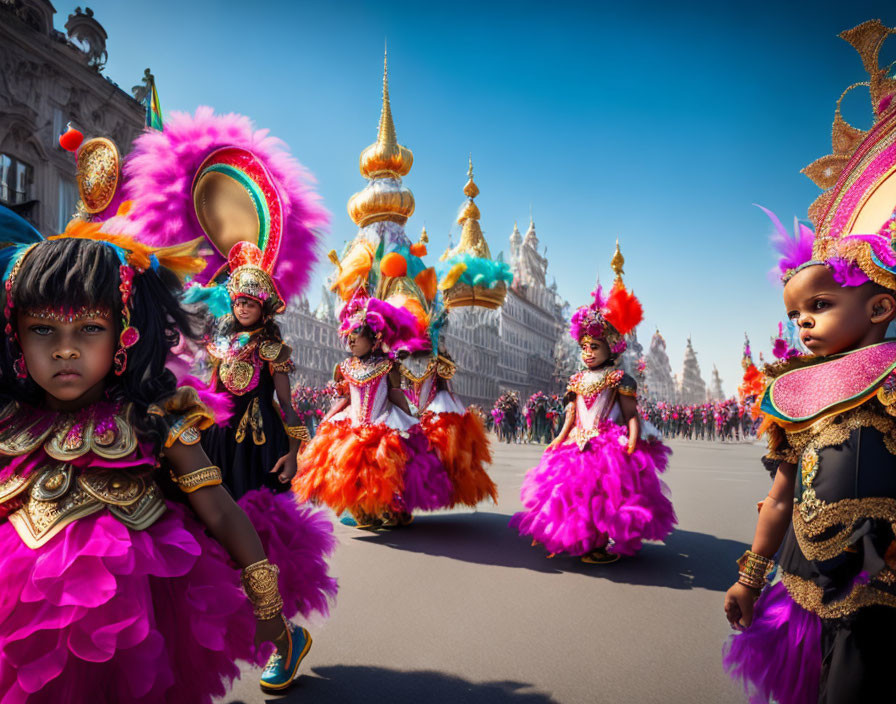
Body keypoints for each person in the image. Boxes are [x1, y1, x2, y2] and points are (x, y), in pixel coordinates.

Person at [0, 211, 327, 701]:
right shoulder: (10, 423)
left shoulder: (155, 420)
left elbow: (219, 510)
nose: (65, 351)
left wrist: (269, 615)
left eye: (89, 328)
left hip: (144, 619)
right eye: (43, 330)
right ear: (16, 336)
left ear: (125, 334)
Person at [722, 20, 896, 704]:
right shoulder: (793, 391)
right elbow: (780, 494)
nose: (802, 322)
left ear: (879, 309)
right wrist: (749, 575)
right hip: (800, 584)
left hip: (879, 589)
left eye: (820, 305)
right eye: (796, 311)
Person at [510, 258, 676, 564]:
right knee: (574, 497)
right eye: (584, 347)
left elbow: (630, 415)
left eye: (594, 348)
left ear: (610, 349)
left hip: (607, 445)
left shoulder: (619, 379)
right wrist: (559, 439)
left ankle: (598, 544)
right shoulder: (576, 379)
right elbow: (571, 416)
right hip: (576, 443)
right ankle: (583, 540)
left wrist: (632, 440)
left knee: (604, 497)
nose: (588, 353)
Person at [293, 294, 451, 528]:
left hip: (382, 423)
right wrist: (327, 419)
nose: (351, 342)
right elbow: (345, 398)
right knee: (345, 467)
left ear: (374, 338)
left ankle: (391, 510)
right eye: (348, 337)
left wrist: (411, 417)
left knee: (387, 470)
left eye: (356, 336)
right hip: (353, 425)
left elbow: (396, 395)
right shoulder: (346, 367)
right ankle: (362, 510)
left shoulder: (389, 365)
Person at [401, 346, 497, 508]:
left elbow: (446, 380)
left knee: (438, 455)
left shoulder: (437, 363)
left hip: (437, 410)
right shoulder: (403, 361)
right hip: (412, 410)